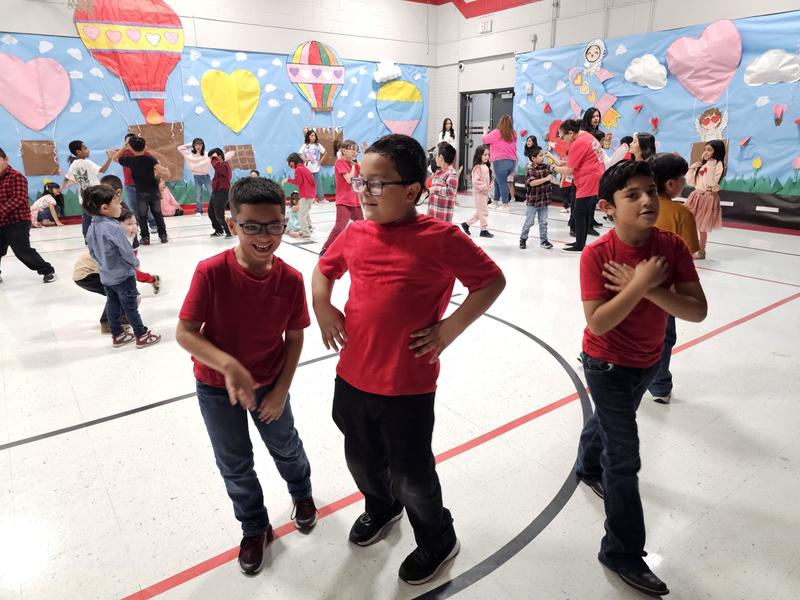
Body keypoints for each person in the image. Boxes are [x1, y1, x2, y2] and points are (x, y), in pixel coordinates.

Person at [312, 133, 505, 586]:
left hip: (407, 385)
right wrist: (323, 306)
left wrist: (449, 329)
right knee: (361, 459)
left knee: (412, 474)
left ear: (413, 190)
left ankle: (438, 537)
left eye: (378, 184)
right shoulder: (355, 232)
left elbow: (490, 282)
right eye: (362, 181)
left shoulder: (440, 237)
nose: (364, 191)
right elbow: (323, 271)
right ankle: (381, 507)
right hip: (352, 376)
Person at [575, 160, 707, 597]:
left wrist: (648, 285)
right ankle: (622, 551)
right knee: (625, 457)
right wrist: (639, 285)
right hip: (606, 365)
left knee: (609, 426)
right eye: (632, 195)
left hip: (647, 361)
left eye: (650, 190)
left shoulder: (670, 247)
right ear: (607, 207)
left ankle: (586, 464)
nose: (647, 200)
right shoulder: (598, 254)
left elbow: (696, 311)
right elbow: (598, 323)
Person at [176, 176, 317, 576]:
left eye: (274, 226)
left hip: (271, 382)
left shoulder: (290, 278)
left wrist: (281, 390)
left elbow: (294, 337)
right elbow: (185, 333)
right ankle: (254, 526)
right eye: (252, 226)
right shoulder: (211, 272)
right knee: (234, 463)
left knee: (285, 445)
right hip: (216, 387)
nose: (264, 236)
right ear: (233, 223)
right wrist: (230, 365)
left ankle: (302, 494)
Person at [647, 153, 700, 404]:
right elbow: (690, 250)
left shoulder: (637, 206)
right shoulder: (682, 213)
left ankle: (595, 359)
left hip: (630, 283)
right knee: (663, 336)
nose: (685, 182)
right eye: (683, 178)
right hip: (665, 290)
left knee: (618, 322)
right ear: (671, 184)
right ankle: (658, 385)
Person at [83, 185, 161, 348]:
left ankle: (117, 335)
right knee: (130, 307)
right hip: (123, 275)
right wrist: (135, 263)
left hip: (106, 276)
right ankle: (141, 334)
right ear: (105, 208)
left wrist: (103, 263)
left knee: (113, 304)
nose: (120, 206)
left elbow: (91, 252)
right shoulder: (114, 228)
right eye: (117, 204)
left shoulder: (91, 227)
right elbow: (126, 251)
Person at [0, 148, 56, 283]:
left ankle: (47, 270)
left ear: (6, 159)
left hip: (17, 221)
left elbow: (18, 199)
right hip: (1, 222)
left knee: (22, 250)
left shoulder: (16, 177)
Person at [552, 119, 605, 253]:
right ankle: (581, 242)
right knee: (585, 212)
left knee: (579, 213)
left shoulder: (579, 143)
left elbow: (569, 170)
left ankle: (580, 245)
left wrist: (553, 167)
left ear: (571, 133)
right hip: (595, 176)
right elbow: (573, 162)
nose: (563, 139)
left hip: (588, 178)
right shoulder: (587, 136)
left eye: (563, 136)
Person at [115, 136, 169, 244]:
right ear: (144, 146)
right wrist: (165, 171)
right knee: (158, 214)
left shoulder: (130, 160)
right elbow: (161, 170)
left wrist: (124, 147)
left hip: (141, 192)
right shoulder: (150, 158)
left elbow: (115, 158)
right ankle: (163, 235)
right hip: (154, 191)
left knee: (142, 216)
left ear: (131, 148)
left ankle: (145, 238)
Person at [64, 139, 113, 239]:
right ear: (78, 151)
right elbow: (102, 170)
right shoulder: (86, 162)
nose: (88, 150)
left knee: (86, 218)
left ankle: (87, 238)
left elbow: (68, 178)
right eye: (85, 148)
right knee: (101, 216)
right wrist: (109, 159)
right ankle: (103, 236)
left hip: (83, 197)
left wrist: (63, 186)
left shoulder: (73, 164)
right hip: (95, 195)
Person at [685, 140, 725, 260]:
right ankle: (690, 247)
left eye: (709, 150)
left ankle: (701, 251)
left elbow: (711, 183)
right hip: (696, 195)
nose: (706, 152)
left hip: (708, 197)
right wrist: (692, 169)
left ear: (716, 152)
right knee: (689, 223)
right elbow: (692, 182)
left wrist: (711, 165)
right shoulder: (702, 164)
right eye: (705, 149)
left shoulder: (718, 165)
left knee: (702, 227)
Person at [320, 139, 361, 255]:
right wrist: (353, 166)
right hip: (344, 201)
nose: (355, 152)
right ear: (344, 150)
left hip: (355, 201)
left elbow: (359, 181)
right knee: (340, 227)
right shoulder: (340, 163)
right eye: (352, 149)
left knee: (363, 225)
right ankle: (326, 249)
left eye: (357, 150)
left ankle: (362, 246)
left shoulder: (355, 164)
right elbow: (349, 180)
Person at [519, 146, 553, 249]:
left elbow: (559, 165)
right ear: (533, 158)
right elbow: (533, 183)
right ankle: (523, 238)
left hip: (543, 202)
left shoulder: (546, 167)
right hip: (533, 202)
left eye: (543, 155)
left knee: (543, 222)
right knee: (529, 222)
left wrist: (550, 155)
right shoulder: (531, 170)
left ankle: (544, 240)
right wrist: (546, 179)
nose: (543, 157)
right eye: (540, 155)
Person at [482, 115, 517, 209]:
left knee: (502, 183)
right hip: (512, 163)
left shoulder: (496, 132)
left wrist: (485, 132)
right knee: (498, 181)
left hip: (499, 162)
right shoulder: (513, 134)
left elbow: (484, 140)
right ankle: (495, 202)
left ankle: (505, 205)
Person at [461, 145, 493, 238]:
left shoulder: (485, 166)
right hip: (479, 193)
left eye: (488, 154)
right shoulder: (477, 168)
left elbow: (488, 179)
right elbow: (475, 181)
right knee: (483, 212)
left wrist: (490, 186)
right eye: (485, 155)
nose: (487, 156)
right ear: (479, 155)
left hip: (485, 193)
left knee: (480, 211)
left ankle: (466, 224)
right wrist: (485, 188)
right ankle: (483, 230)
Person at [178, 138, 211, 216]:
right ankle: (199, 210)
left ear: (203, 145)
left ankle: (214, 209)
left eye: (200, 144)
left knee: (211, 192)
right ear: (194, 146)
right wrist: (191, 144)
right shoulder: (189, 154)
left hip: (206, 176)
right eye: (196, 145)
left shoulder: (206, 154)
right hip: (196, 177)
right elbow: (179, 148)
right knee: (198, 195)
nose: (198, 146)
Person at [285, 152, 315, 238]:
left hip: (305, 195)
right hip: (311, 195)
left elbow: (298, 182)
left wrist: (288, 180)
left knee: (301, 215)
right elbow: (313, 182)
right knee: (305, 214)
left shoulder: (298, 169)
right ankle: (306, 229)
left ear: (293, 162)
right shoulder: (306, 169)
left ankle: (306, 233)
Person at [427, 142, 458, 223]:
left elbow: (451, 191)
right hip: (432, 216)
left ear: (440, 157)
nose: (435, 158)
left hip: (443, 220)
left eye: (436, 155)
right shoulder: (438, 173)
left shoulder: (451, 174)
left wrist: (434, 189)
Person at [208, 147, 233, 238]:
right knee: (211, 212)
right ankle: (218, 230)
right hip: (216, 192)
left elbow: (218, 168)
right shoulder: (219, 165)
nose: (211, 160)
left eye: (213, 157)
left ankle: (228, 232)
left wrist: (214, 159)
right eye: (211, 158)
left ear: (219, 156)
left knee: (219, 214)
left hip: (223, 192)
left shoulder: (224, 165)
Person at [298, 130, 327, 204]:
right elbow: (299, 154)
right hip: (307, 169)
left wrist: (320, 161)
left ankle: (321, 199)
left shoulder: (318, 145)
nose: (313, 137)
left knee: (318, 184)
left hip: (316, 169)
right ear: (308, 136)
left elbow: (325, 153)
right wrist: (305, 160)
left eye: (314, 135)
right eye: (311, 135)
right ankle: (312, 199)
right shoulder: (305, 145)